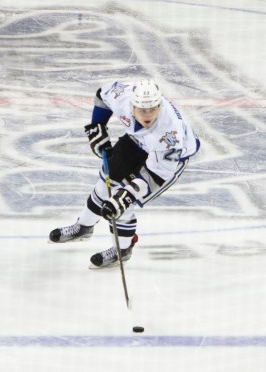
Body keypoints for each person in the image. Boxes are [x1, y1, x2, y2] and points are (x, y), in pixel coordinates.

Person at [48, 78, 200, 268]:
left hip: (167, 162)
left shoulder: (170, 134)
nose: (147, 115)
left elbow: (156, 175)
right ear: (132, 105)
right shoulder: (122, 95)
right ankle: (84, 226)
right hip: (137, 142)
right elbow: (101, 95)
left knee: (122, 202)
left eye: (152, 109)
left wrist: (127, 195)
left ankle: (123, 249)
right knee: (107, 180)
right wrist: (98, 127)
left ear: (159, 106)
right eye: (142, 110)